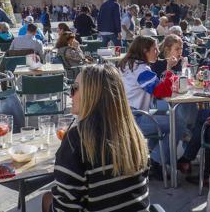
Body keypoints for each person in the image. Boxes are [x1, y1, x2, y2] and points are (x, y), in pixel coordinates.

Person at [41, 65, 150, 212]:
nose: (70, 95)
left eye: (75, 88)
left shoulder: (76, 139)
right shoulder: (134, 134)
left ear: (91, 95)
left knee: (47, 198)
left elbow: (66, 207)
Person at [118, 36, 183, 180]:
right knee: (177, 123)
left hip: (123, 116)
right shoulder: (141, 70)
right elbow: (163, 92)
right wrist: (169, 69)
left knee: (165, 118)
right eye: (155, 49)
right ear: (144, 51)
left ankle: (154, 159)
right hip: (135, 118)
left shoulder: (126, 64)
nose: (158, 52)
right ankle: (155, 161)